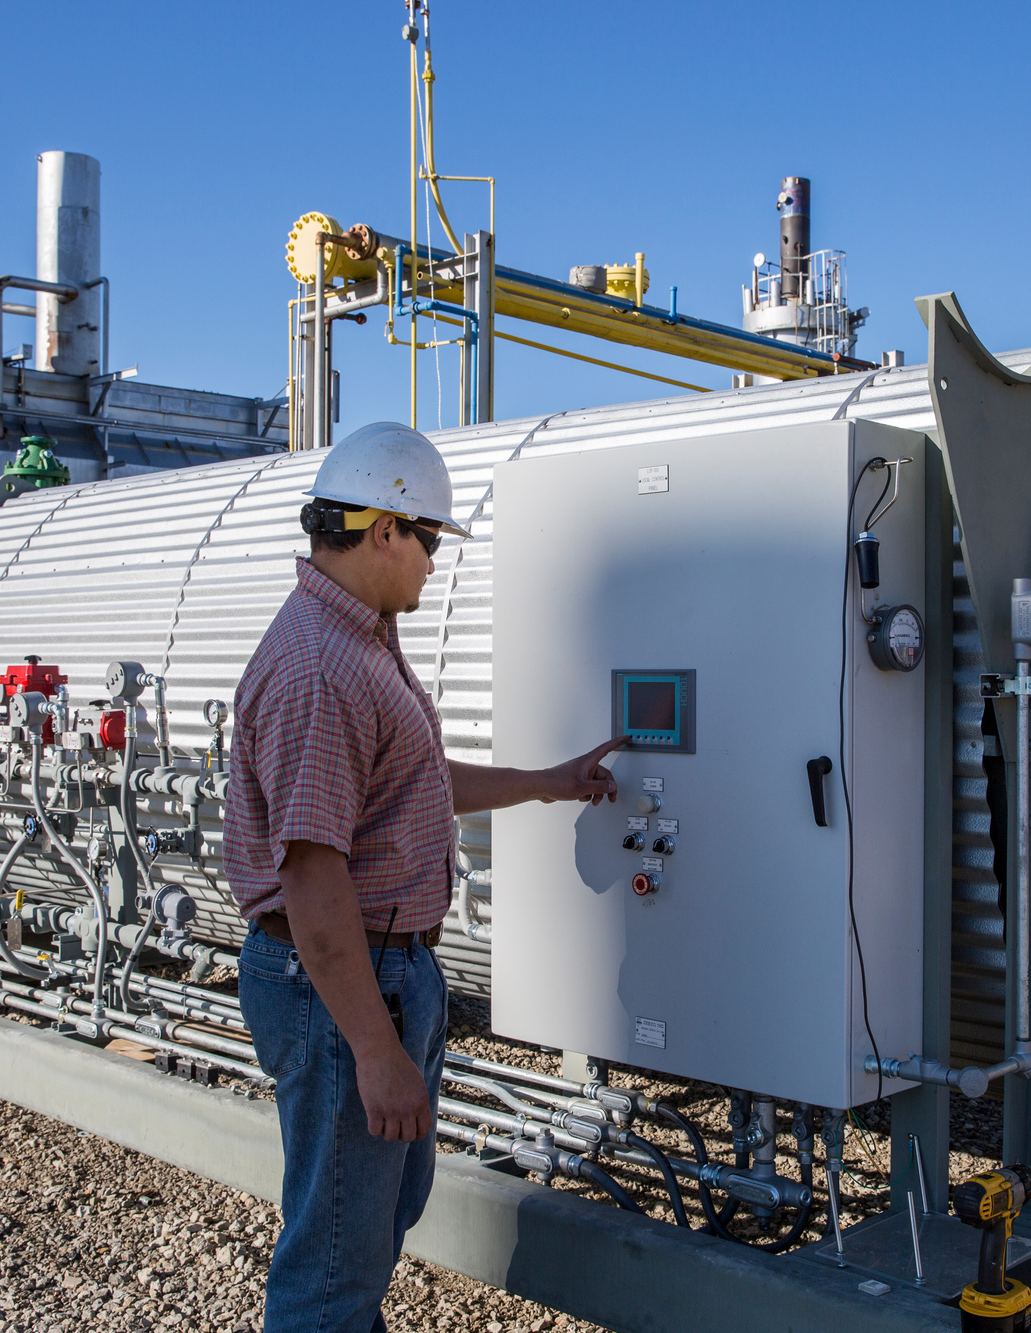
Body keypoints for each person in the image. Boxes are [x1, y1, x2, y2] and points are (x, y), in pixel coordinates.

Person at [224, 421, 623, 1333]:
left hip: (378, 974)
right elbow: (316, 881)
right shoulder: (323, 666)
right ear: (383, 532)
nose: (434, 564)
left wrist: (546, 783)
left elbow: (408, 782)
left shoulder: (359, 643)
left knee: (363, 1232)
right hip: (344, 982)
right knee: (332, 1265)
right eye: (430, 540)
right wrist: (375, 1050)